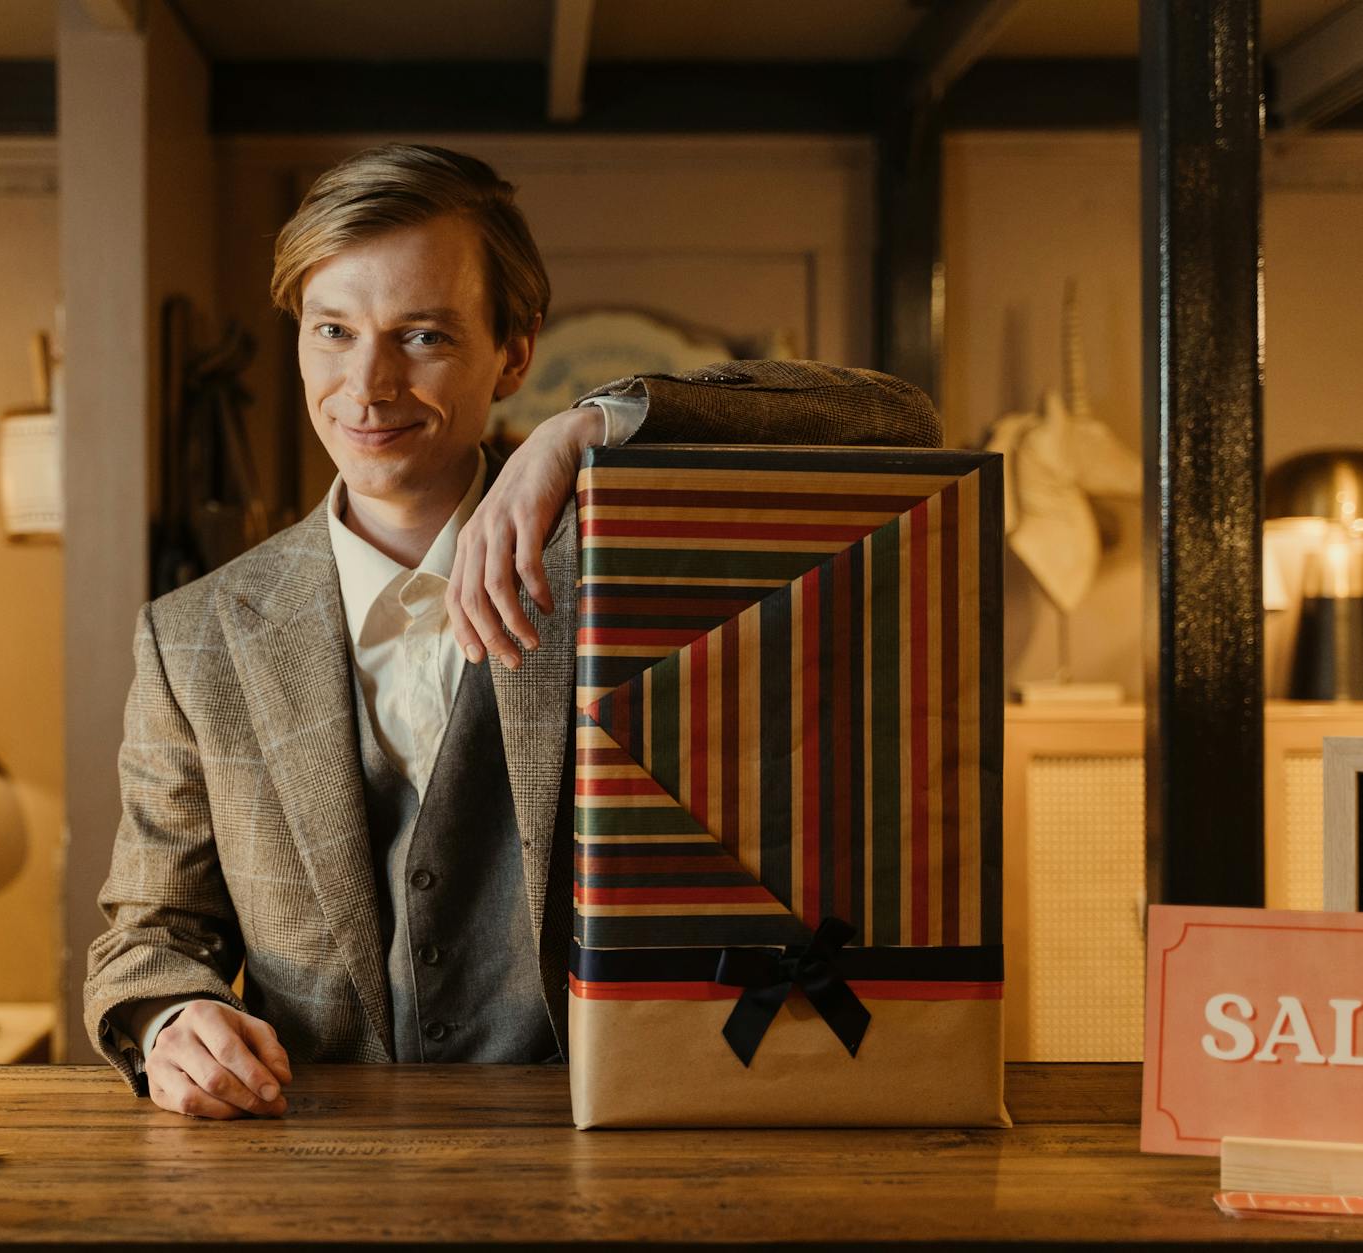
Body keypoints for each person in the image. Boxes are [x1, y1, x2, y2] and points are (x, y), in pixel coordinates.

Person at [84, 143, 940, 1119]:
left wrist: (589, 426)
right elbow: (148, 935)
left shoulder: (627, 556)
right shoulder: (192, 636)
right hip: (316, 1167)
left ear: (513, 352)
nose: (363, 387)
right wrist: (170, 1017)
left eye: (421, 338)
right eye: (331, 330)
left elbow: (898, 419)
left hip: (611, 1151)